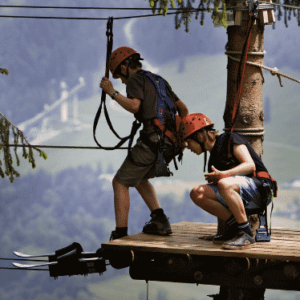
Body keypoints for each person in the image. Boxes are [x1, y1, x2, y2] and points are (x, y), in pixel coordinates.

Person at [100, 46, 188, 240]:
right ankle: (160, 220)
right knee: (138, 178)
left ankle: (120, 233)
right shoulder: (159, 80)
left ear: (124, 67)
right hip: (170, 144)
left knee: (119, 182)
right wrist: (181, 137)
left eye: (120, 76)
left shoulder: (134, 80)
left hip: (152, 141)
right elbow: (183, 109)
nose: (122, 81)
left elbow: (134, 106)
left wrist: (111, 92)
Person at [180, 113, 276, 250]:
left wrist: (224, 175)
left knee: (223, 183)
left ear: (199, 135)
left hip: (262, 190)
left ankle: (246, 233)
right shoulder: (212, 158)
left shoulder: (230, 139)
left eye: (188, 143)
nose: (188, 148)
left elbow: (250, 165)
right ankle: (234, 229)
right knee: (197, 193)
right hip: (241, 192)